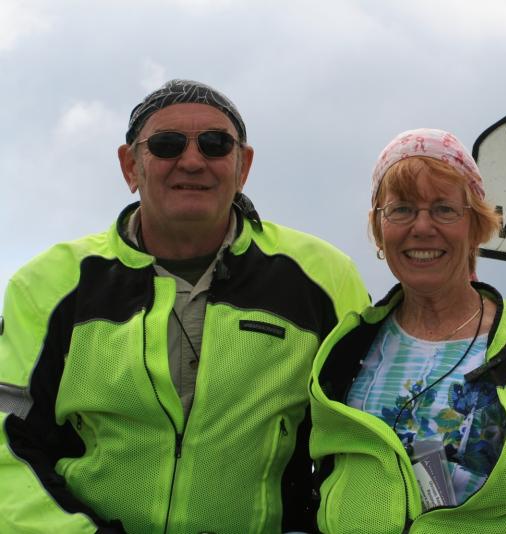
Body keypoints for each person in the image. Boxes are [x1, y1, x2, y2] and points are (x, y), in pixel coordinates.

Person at [0, 79, 369, 533]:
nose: (192, 161)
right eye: (167, 144)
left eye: (215, 145)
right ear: (130, 165)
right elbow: (9, 448)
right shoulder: (48, 284)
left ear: (243, 165)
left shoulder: (325, 278)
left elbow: (358, 444)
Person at [308, 128, 506, 533]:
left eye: (443, 209)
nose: (422, 227)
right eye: (402, 209)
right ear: (379, 228)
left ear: (476, 226)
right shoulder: (347, 348)